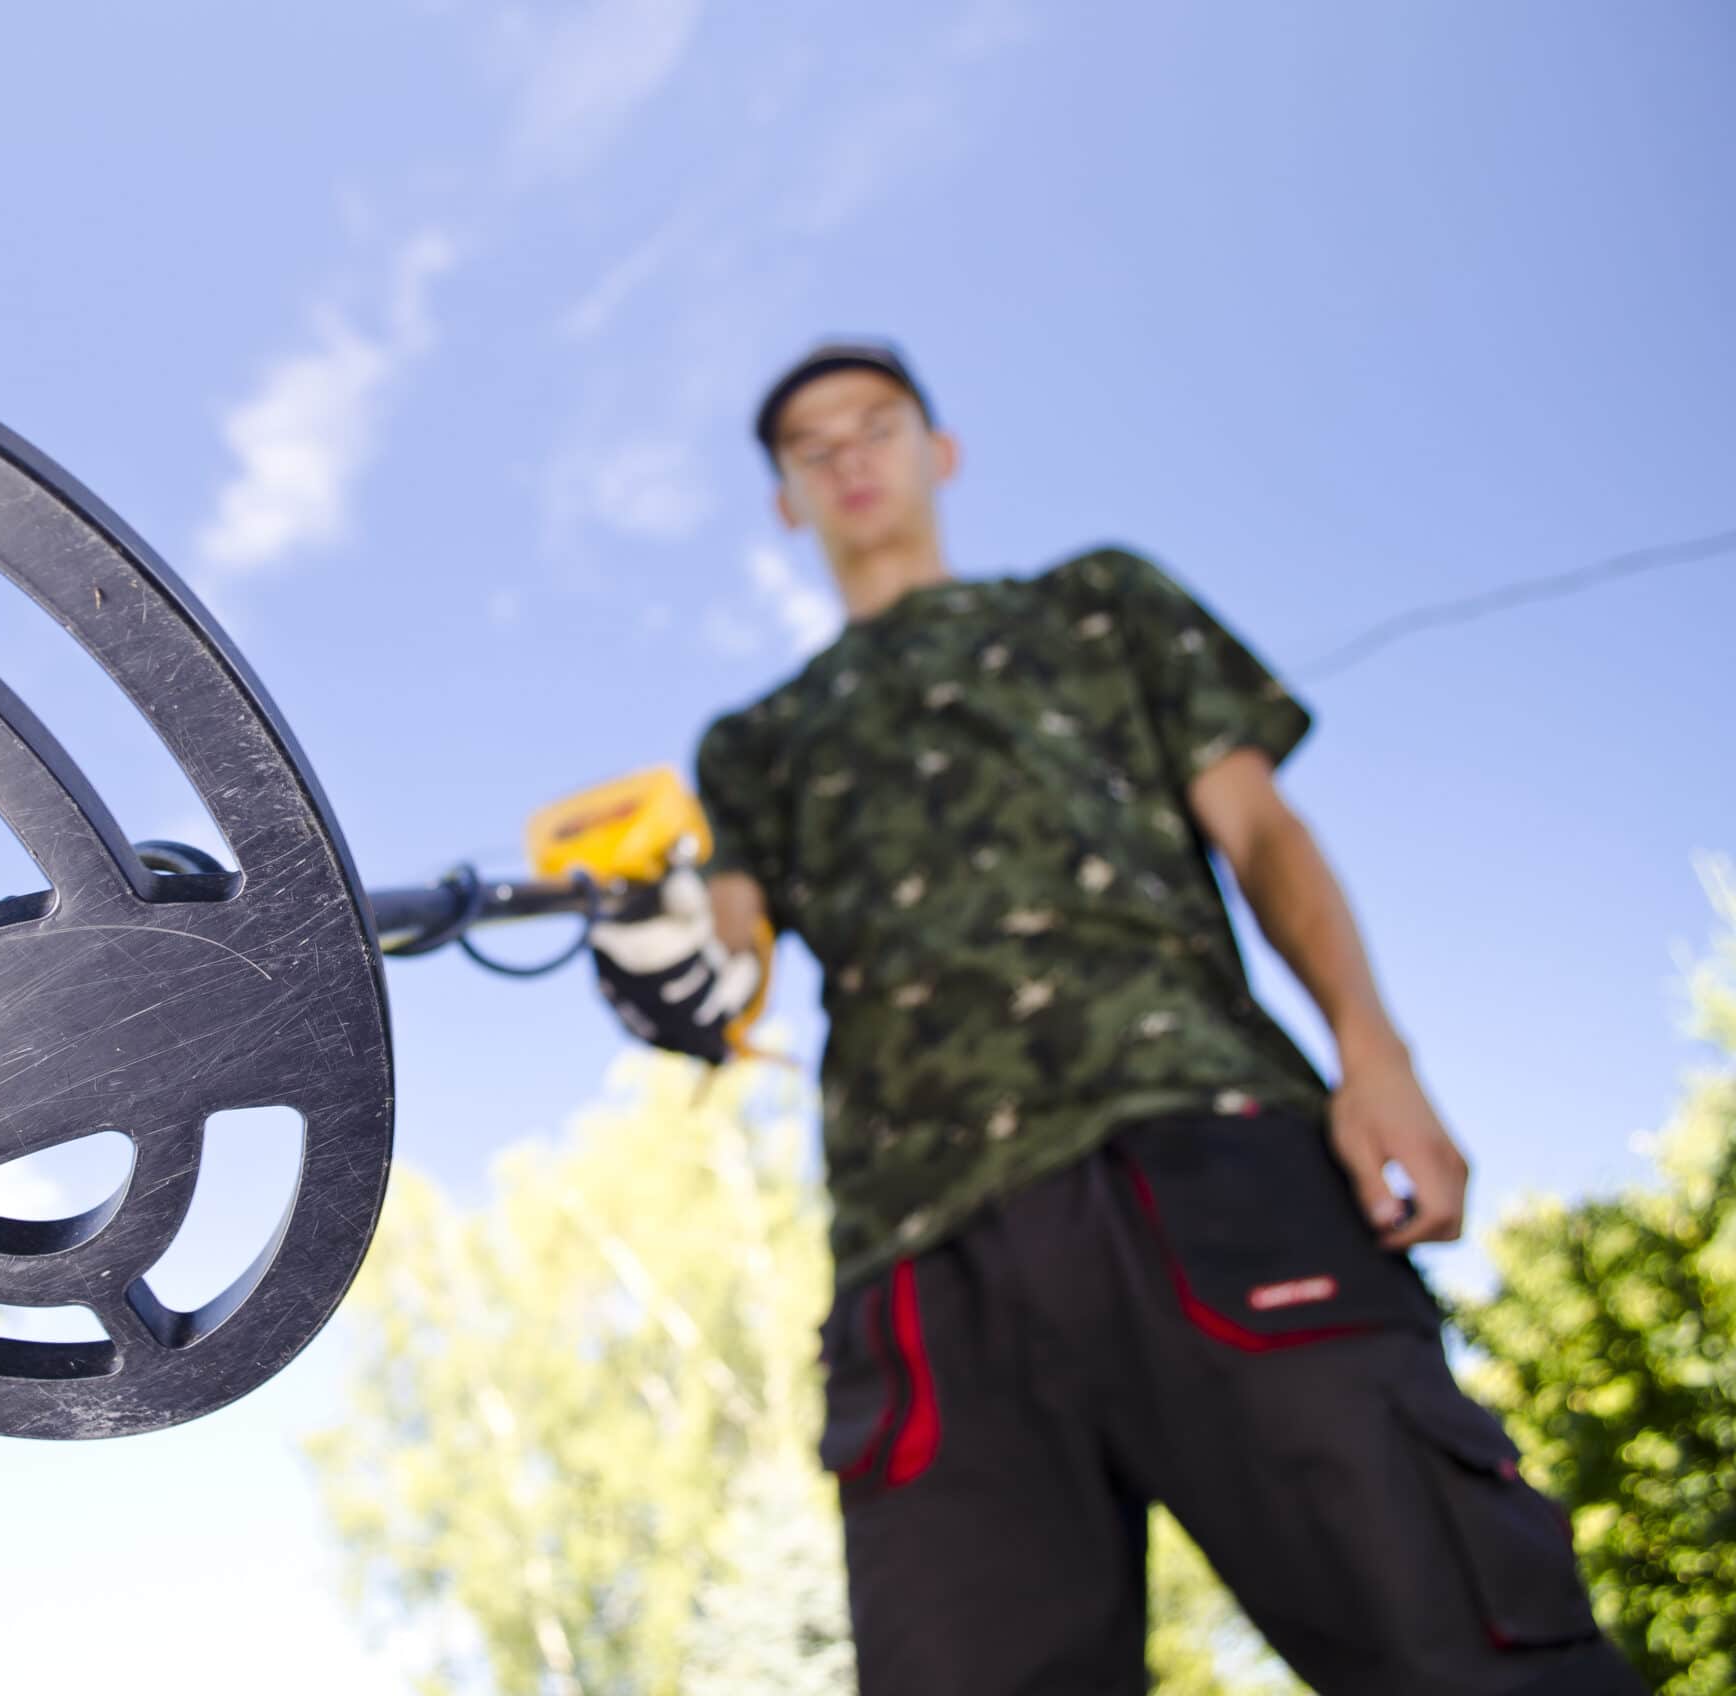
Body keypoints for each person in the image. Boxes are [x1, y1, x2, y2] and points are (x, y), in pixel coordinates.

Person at [587, 342, 1644, 1694]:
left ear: (939, 450)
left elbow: (1260, 827)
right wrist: (662, 954)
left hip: (1209, 1158)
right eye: (813, 446)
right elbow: (728, 952)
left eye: (878, 425)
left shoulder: (1100, 603)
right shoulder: (758, 739)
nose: (850, 456)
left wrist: (1373, 1056)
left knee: (1461, 1646)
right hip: (923, 1264)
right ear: (787, 499)